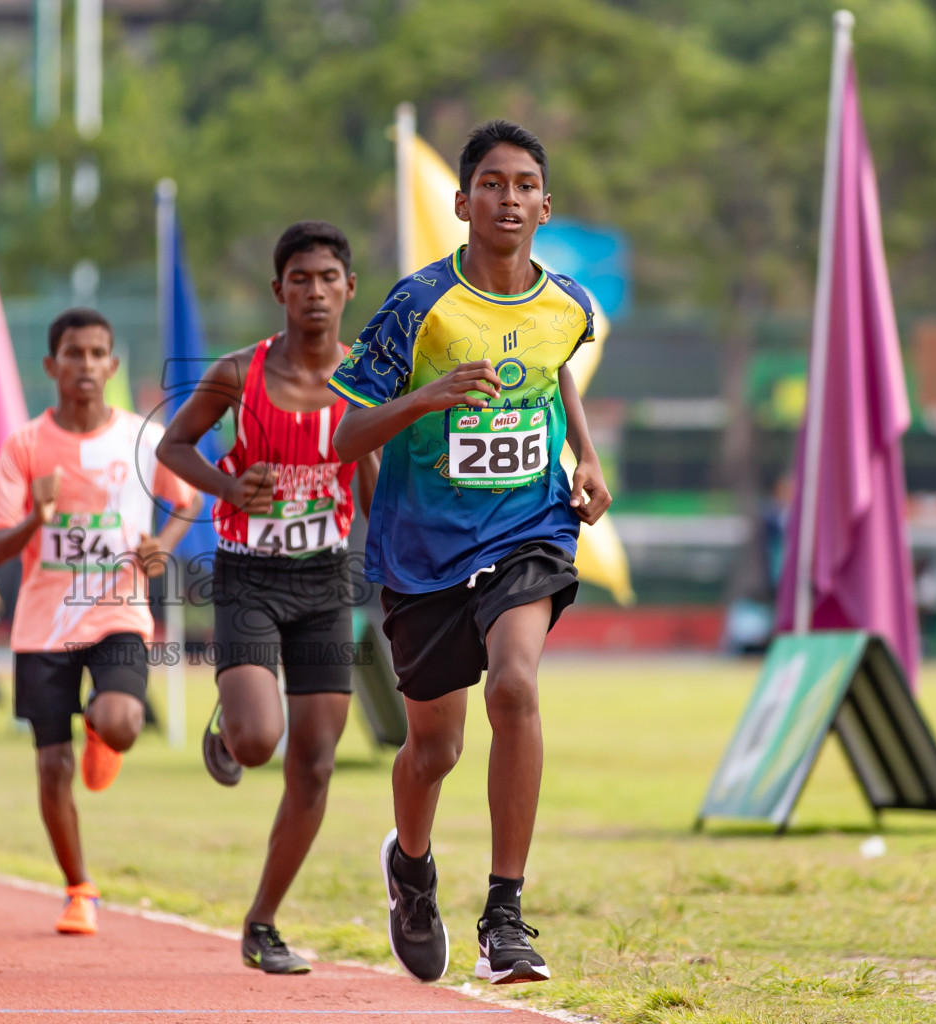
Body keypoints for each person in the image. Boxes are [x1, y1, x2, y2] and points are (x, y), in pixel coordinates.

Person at [328, 120, 612, 985]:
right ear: (462, 203)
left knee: (517, 686)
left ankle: (506, 917)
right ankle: (411, 869)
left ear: (545, 205)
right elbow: (346, 435)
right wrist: (431, 396)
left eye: (525, 184)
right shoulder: (418, 305)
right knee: (434, 751)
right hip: (423, 550)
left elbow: (555, 366)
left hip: (529, 526)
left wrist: (588, 458)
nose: (510, 198)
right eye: (492, 183)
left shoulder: (569, 301)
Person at [157, 222, 379, 974]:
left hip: (323, 582)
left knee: (314, 763)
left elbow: (377, 484)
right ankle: (228, 732)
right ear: (278, 290)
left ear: (349, 289)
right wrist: (228, 486)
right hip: (248, 575)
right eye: (301, 278)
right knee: (260, 741)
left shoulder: (365, 379)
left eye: (329, 278)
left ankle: (262, 922)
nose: (315, 291)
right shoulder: (236, 374)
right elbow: (171, 447)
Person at [0, 308, 200, 936]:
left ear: (113, 364)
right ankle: (79, 888)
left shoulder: (142, 438)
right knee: (52, 767)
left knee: (122, 721)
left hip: (117, 612)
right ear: (51, 365)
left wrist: (163, 543)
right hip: (43, 625)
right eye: (72, 353)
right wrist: (35, 520)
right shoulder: (24, 445)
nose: (84, 364)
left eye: (96, 353)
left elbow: (187, 502)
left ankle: (107, 733)